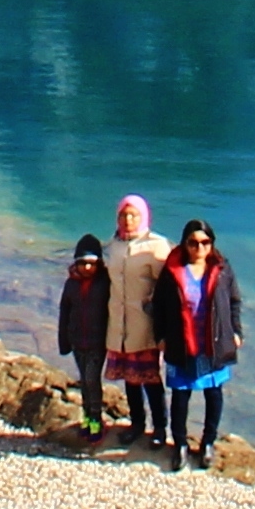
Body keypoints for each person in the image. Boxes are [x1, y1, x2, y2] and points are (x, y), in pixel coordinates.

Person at [154, 220, 245, 473]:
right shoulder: (172, 271)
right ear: (185, 244)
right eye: (193, 243)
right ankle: (180, 444)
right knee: (181, 396)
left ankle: (208, 443)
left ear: (212, 244)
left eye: (205, 243)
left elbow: (234, 301)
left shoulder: (222, 269)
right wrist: (160, 336)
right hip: (181, 342)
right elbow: (158, 306)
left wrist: (236, 331)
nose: (199, 248)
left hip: (212, 344)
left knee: (213, 393)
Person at [99, 195, 170, 454]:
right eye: (123, 215)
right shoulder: (113, 245)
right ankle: (137, 424)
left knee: (150, 378)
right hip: (119, 324)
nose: (128, 220)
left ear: (144, 217)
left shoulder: (157, 247)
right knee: (130, 379)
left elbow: (169, 287)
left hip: (145, 324)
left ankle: (161, 429)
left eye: (133, 215)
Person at [55, 238, 118, 440]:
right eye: (83, 263)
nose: (87, 267)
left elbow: (115, 311)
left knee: (92, 380)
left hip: (97, 342)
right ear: (76, 263)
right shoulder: (71, 284)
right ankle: (86, 416)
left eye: (92, 263)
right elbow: (64, 312)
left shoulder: (105, 283)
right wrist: (63, 341)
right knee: (84, 381)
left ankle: (96, 419)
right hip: (77, 340)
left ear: (99, 263)